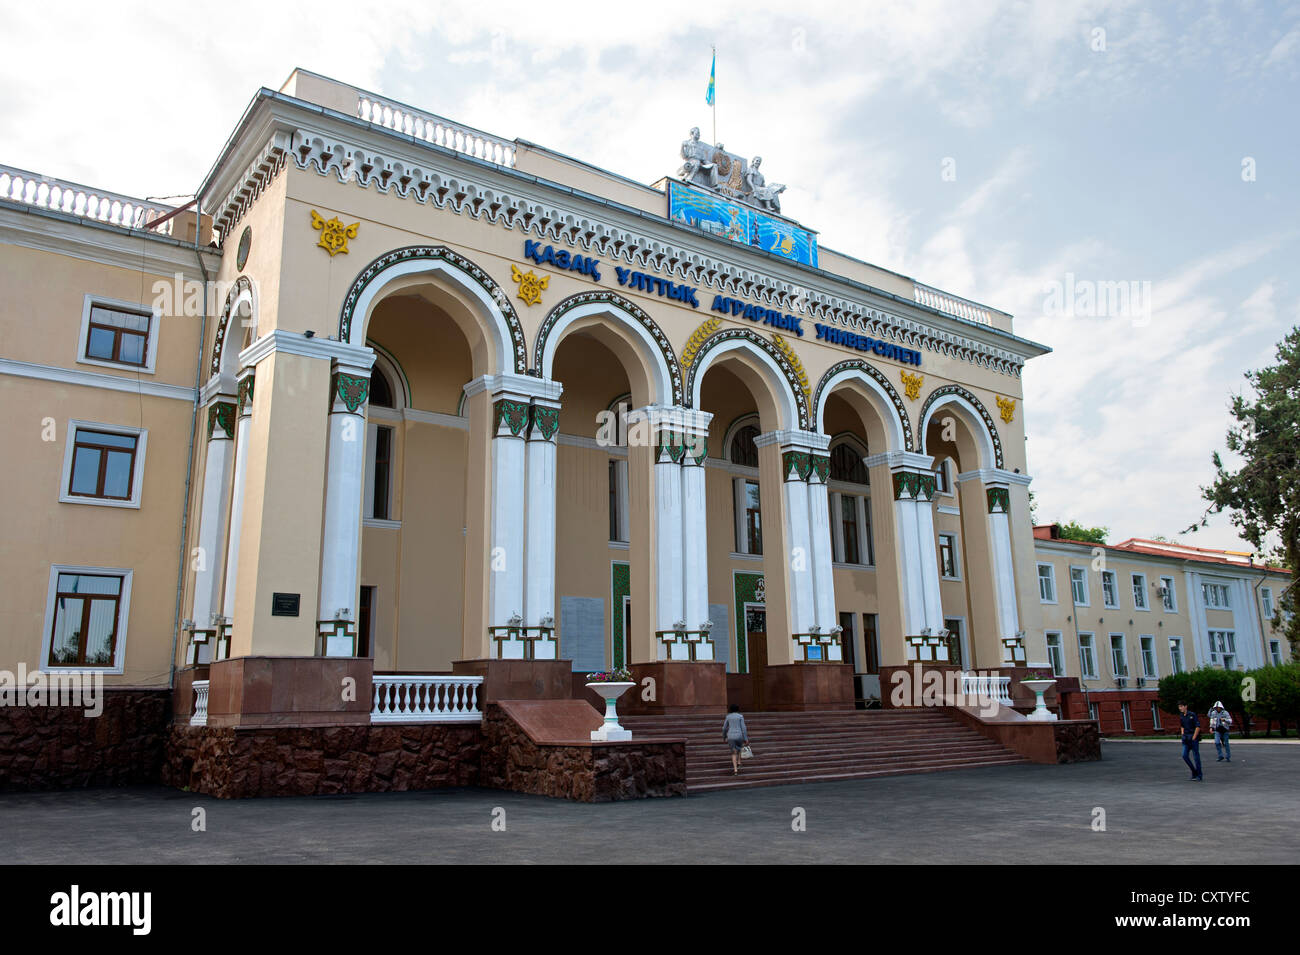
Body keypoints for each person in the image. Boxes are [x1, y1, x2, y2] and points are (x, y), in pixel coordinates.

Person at [1177, 701, 1203, 781]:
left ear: (1186, 706)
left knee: (1196, 757)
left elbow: (1197, 727)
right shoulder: (1181, 716)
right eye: (1179, 706)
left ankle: (1199, 774)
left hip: (1193, 738)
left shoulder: (1192, 715)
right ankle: (1193, 771)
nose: (1180, 708)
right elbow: (1182, 726)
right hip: (1186, 738)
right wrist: (1182, 734)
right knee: (1184, 755)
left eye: (1181, 706)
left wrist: (1194, 737)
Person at [722, 703, 749, 775]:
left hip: (730, 736)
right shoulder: (740, 716)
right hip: (739, 735)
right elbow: (743, 728)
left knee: (733, 753)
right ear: (737, 709)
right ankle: (739, 762)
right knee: (739, 748)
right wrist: (746, 738)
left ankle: (735, 770)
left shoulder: (728, 717)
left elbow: (724, 728)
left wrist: (724, 737)